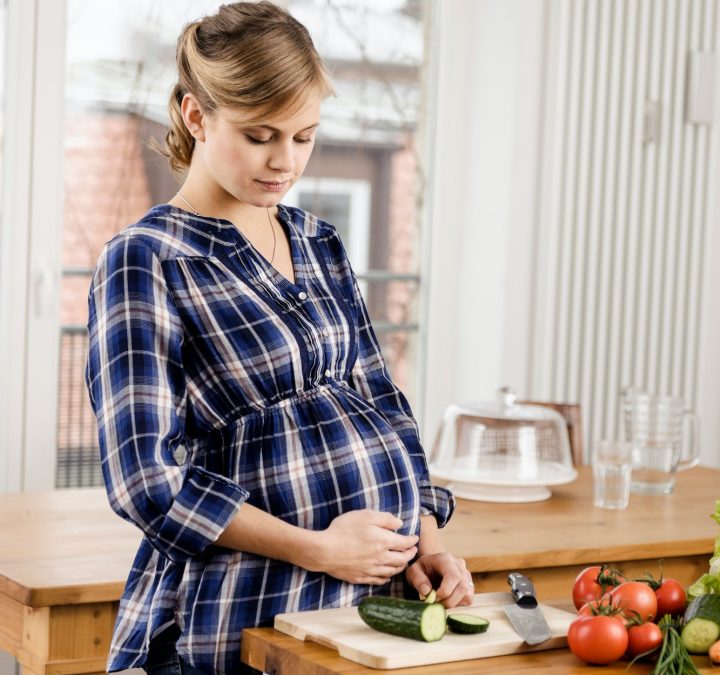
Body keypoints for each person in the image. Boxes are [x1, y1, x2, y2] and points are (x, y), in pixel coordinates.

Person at [84, 3, 472, 673]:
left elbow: (382, 402)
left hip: (364, 607)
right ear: (195, 115)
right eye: (261, 135)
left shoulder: (319, 242)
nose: (284, 161)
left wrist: (426, 540)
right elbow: (145, 480)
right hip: (240, 611)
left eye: (303, 136)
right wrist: (315, 547)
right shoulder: (146, 258)